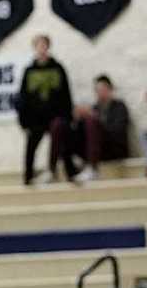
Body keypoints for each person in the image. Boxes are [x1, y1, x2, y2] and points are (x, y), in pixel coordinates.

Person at [16, 34, 73, 184]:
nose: (41, 48)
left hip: (55, 115)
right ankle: (28, 177)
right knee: (31, 146)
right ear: (34, 48)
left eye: (44, 45)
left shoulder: (58, 68)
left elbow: (66, 94)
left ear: (48, 47)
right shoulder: (29, 71)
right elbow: (23, 97)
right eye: (38, 45)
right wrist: (24, 121)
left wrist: (68, 116)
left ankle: (69, 173)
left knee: (63, 144)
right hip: (35, 118)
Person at [52, 75, 131, 183]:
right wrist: (77, 118)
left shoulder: (119, 106)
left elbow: (118, 132)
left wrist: (96, 119)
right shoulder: (94, 107)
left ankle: (92, 169)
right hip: (94, 150)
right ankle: (55, 170)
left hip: (112, 148)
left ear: (110, 89)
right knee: (60, 124)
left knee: (91, 120)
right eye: (97, 90)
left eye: (102, 89)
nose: (99, 92)